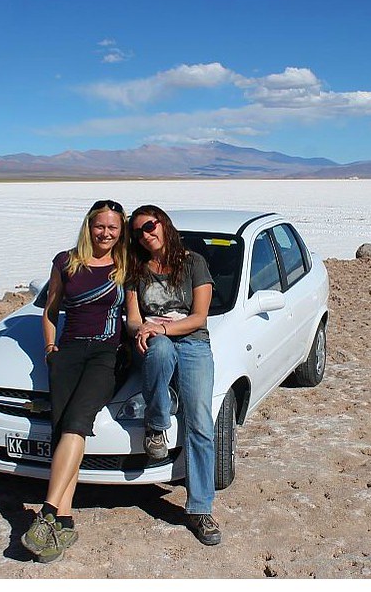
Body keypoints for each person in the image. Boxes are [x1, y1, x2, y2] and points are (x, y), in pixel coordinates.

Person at [21, 199, 128, 563]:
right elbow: (51, 308)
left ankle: (47, 510)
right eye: (101, 226)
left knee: (78, 423)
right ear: (89, 226)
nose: (106, 233)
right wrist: (51, 346)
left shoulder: (126, 265)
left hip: (104, 355)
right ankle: (64, 521)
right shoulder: (66, 262)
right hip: (67, 352)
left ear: (120, 230)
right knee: (63, 428)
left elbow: (133, 314)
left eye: (113, 227)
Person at [125, 205, 222, 546]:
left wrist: (163, 327)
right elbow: (133, 318)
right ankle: (156, 425)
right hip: (155, 345)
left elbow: (198, 317)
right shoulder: (137, 270)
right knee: (161, 349)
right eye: (137, 232)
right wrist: (141, 330)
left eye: (149, 226)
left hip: (194, 343)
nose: (145, 234)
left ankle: (199, 509)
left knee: (200, 422)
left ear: (163, 224)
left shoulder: (194, 263)